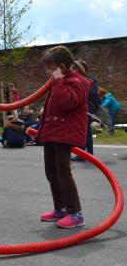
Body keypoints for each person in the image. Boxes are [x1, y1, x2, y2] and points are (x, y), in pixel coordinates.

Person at [34, 45, 90, 229]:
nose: (47, 72)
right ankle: (61, 208)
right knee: (51, 172)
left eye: (50, 68)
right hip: (53, 132)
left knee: (63, 173)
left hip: (65, 134)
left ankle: (76, 213)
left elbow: (66, 101)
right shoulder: (61, 80)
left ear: (62, 67)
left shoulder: (77, 81)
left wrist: (57, 81)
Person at [72, 60, 101, 161]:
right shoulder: (84, 80)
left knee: (83, 132)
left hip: (86, 109)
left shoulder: (88, 81)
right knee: (85, 132)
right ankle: (87, 154)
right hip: (83, 109)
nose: (73, 70)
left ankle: (84, 154)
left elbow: (94, 97)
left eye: (76, 68)